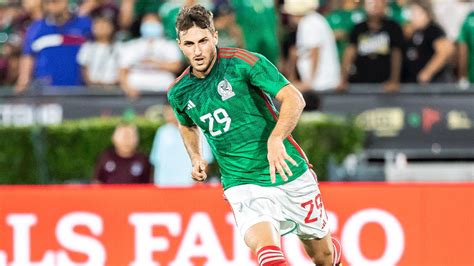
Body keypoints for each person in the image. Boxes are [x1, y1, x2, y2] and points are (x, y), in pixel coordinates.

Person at [168, 5, 341, 266]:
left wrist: (276, 138)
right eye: (190, 44)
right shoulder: (179, 92)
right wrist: (195, 156)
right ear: (180, 44)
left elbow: (294, 98)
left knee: (323, 257)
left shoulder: (243, 62)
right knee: (268, 253)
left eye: (203, 41)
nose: (198, 50)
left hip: (286, 170)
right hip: (241, 181)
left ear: (215, 36)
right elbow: (187, 125)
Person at [15, 0, 92, 93]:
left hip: (78, 91)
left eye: (56, 1)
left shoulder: (84, 24)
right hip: (46, 93)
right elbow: (27, 58)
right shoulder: (36, 28)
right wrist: (22, 83)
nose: (52, 5)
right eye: (48, 2)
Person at [338, 0, 404, 92]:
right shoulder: (358, 28)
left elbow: (396, 55)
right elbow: (349, 54)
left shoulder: (393, 27)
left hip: (385, 85)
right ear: (365, 6)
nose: (375, 7)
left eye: (378, 3)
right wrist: (343, 80)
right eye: (371, 4)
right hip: (360, 82)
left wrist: (394, 80)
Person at [119, 13, 182, 98]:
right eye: (147, 23)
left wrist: (154, 63)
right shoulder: (132, 45)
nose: (150, 26)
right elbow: (122, 69)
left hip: (163, 84)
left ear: (160, 25)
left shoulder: (169, 45)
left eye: (153, 23)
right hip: (136, 85)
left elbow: (177, 66)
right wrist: (126, 87)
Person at [283, 0, 341, 93]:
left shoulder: (309, 23)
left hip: (321, 84)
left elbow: (315, 51)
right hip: (322, 83)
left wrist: (309, 82)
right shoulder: (314, 20)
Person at [150, 104, 213, 186]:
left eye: (171, 112)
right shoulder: (162, 132)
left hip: (190, 186)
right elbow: (156, 161)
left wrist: (197, 182)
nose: (170, 116)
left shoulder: (198, 130)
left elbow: (205, 161)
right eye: (167, 112)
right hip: (164, 186)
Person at [401, 0, 454, 84]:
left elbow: (445, 51)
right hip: (412, 83)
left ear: (426, 13)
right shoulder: (413, 32)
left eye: (416, 13)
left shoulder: (433, 30)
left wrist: (428, 72)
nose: (413, 17)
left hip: (431, 85)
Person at [77, 15, 121, 87]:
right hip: (92, 89)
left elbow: (122, 68)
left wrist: (114, 83)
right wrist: (91, 83)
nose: (101, 29)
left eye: (104, 26)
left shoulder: (119, 47)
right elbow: (84, 68)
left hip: (113, 88)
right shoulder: (87, 47)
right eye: (97, 26)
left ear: (111, 28)